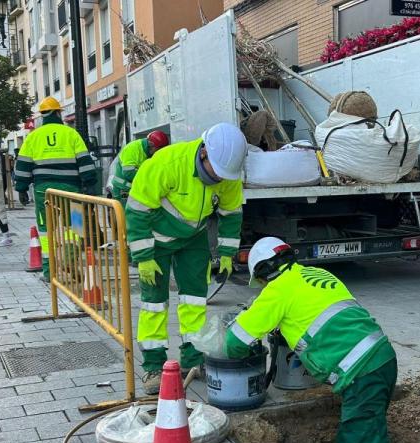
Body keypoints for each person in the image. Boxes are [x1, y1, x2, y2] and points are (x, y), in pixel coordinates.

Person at [223, 237, 397, 443]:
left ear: (264, 272)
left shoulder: (277, 290)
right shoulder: (318, 274)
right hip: (382, 356)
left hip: (361, 371)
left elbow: (235, 343)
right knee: (353, 438)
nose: (260, 287)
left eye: (259, 281)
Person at [126, 122, 246, 391]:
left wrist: (227, 253)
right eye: (217, 173)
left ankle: (193, 360)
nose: (220, 180)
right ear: (203, 153)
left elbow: (231, 214)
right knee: (154, 304)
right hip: (156, 240)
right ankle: (154, 367)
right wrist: (144, 255)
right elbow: (136, 210)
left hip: (194, 239)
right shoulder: (168, 162)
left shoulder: (228, 174)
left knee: (194, 299)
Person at [13, 96, 98, 280]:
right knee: (75, 227)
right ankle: (70, 260)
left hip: (44, 191)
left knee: (45, 230)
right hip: (71, 190)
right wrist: (89, 183)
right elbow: (84, 161)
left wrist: (21, 189)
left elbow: (23, 165)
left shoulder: (33, 137)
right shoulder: (71, 134)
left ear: (42, 116)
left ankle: (48, 271)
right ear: (59, 113)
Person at [110, 130, 169, 205]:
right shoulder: (133, 149)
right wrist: (150, 181)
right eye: (158, 150)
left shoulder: (149, 152)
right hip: (123, 188)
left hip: (134, 189)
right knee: (125, 215)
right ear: (151, 145)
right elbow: (128, 173)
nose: (158, 153)